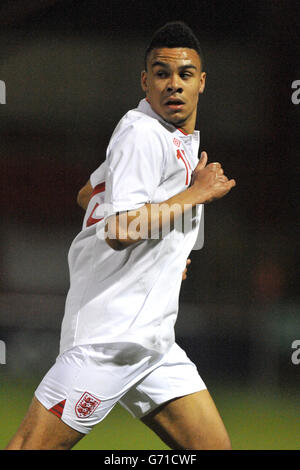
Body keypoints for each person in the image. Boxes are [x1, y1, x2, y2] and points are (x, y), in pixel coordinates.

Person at [5, 21, 236, 450]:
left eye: (185, 74)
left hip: (154, 345)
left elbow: (87, 196)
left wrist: (164, 255)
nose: (174, 84)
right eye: (161, 73)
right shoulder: (141, 132)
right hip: (109, 338)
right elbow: (118, 230)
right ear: (145, 81)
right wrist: (196, 193)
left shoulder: (177, 140)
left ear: (201, 82)